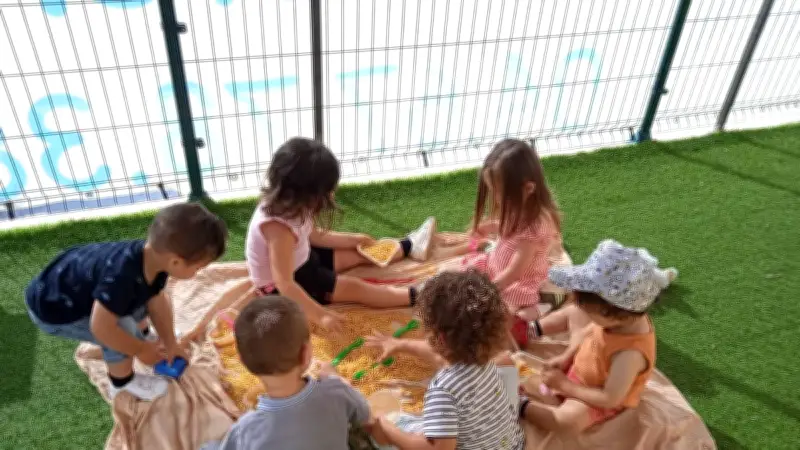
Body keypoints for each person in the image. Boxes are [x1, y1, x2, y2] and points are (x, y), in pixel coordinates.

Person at [187, 137, 435, 339]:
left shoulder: (293, 204)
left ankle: (410, 246)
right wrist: (319, 315)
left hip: (303, 257)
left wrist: (352, 240)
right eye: (326, 191)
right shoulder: (278, 229)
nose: (330, 196)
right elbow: (285, 284)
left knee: (359, 253)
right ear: (308, 193)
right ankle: (417, 295)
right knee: (354, 287)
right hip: (288, 282)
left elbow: (312, 235)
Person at [24, 203, 228, 401]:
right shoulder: (121, 278)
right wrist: (139, 349)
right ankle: (122, 383)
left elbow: (157, 300)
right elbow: (102, 327)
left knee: (140, 300)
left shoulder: (152, 260)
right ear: (175, 261)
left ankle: (142, 334)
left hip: (73, 287)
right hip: (54, 309)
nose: (198, 273)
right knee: (122, 331)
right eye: (198, 268)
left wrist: (170, 343)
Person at [515, 240, 677, 433]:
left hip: (593, 393)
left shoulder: (629, 355)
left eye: (591, 311)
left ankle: (518, 403)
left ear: (618, 315)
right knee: (574, 313)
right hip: (583, 367)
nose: (586, 312)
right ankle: (531, 330)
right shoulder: (620, 318)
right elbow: (590, 331)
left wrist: (566, 386)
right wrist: (567, 356)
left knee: (566, 421)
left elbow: (610, 398)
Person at [368, 270, 525, 450]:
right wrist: (400, 344)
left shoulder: (443, 391)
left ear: (440, 338)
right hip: (513, 445)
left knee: (398, 423)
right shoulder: (487, 361)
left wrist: (388, 429)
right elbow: (439, 357)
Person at [216, 295, 374, 450]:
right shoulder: (336, 391)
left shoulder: (244, 431)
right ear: (306, 354)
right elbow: (366, 416)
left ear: (243, 362)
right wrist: (335, 379)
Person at [464, 138, 562, 321]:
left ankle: (543, 306)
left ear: (528, 188)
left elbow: (514, 272)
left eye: (499, 193)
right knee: (465, 274)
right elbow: (509, 228)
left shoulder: (535, 227)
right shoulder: (517, 205)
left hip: (520, 281)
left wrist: (489, 290)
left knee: (505, 312)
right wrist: (490, 227)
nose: (496, 199)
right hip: (495, 265)